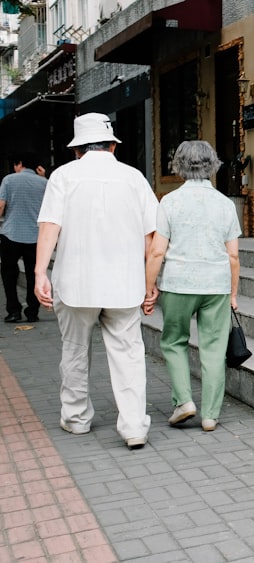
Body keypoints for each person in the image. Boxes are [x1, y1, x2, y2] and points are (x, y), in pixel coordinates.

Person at [34, 113, 158, 450]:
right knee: (128, 354)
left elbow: (49, 226)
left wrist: (39, 272)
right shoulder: (133, 178)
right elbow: (152, 237)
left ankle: (76, 418)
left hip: (76, 284)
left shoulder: (63, 177)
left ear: (77, 150)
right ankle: (133, 426)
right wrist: (150, 283)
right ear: (113, 145)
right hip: (125, 284)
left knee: (74, 350)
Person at [143, 140, 241, 433]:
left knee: (174, 342)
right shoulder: (225, 204)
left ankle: (184, 401)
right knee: (213, 348)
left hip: (178, 283)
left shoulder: (170, 202)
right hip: (216, 285)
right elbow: (233, 255)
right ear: (212, 165)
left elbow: (157, 252)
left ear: (179, 166)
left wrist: (149, 288)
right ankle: (210, 415)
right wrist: (233, 293)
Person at [0, 152, 46, 323]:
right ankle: (32, 312)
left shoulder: (9, 180)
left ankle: (13, 311)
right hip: (35, 236)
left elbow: (1, 206)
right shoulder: (44, 183)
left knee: (8, 274)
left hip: (11, 234)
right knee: (34, 274)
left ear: (19, 164)